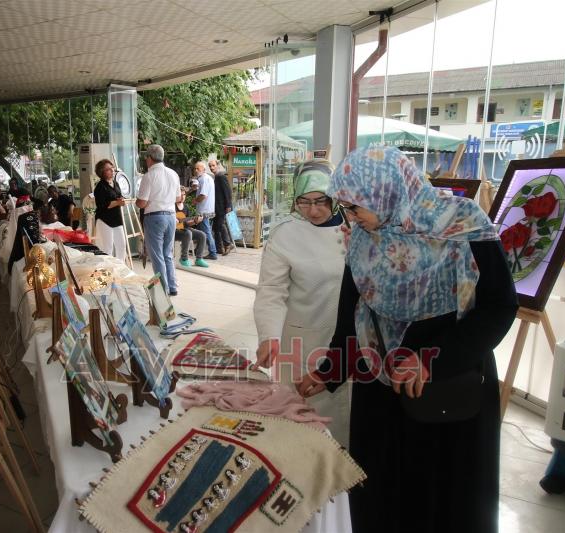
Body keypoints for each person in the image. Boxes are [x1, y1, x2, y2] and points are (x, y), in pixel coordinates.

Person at [297, 146, 517, 533]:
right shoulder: (364, 240)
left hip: (447, 390)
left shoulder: (462, 224)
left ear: (385, 191)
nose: (350, 218)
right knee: (381, 497)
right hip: (380, 395)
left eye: (354, 207)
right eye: (345, 207)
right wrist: (329, 372)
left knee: (440, 501)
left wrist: (433, 360)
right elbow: (352, 315)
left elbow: (500, 306)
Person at [253, 159, 350, 445]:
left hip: (347, 342)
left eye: (321, 200)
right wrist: (269, 335)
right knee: (303, 425)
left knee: (343, 424)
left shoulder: (355, 227)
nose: (313, 210)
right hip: (302, 341)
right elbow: (271, 290)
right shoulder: (286, 236)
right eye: (304, 202)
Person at [136, 144, 182, 296]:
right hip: (171, 216)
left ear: (149, 158)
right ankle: (172, 286)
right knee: (167, 253)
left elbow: (141, 203)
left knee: (157, 256)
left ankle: (163, 290)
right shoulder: (173, 174)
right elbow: (178, 199)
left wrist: (143, 202)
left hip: (155, 218)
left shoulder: (149, 176)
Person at [93, 159, 127, 259]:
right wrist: (117, 202)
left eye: (112, 168)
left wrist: (120, 200)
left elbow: (119, 196)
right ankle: (108, 271)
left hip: (116, 219)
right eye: (109, 169)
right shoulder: (100, 187)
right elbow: (103, 205)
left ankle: (121, 269)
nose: (112, 171)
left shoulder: (115, 183)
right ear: (102, 172)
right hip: (104, 220)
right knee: (108, 248)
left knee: (122, 245)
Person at [175, 187, 208, 268]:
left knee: (202, 235)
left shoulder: (185, 207)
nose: (183, 197)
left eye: (184, 195)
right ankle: (184, 258)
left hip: (184, 229)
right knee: (187, 233)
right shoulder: (171, 206)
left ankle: (199, 259)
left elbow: (187, 223)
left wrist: (195, 221)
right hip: (173, 230)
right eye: (181, 195)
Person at [192, 161, 218, 260]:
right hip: (207, 209)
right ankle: (200, 250)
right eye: (195, 168)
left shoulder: (204, 179)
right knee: (204, 231)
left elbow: (203, 195)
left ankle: (212, 252)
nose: (195, 170)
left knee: (206, 232)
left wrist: (195, 201)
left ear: (203, 169)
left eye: (197, 168)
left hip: (204, 210)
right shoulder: (205, 178)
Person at [209, 159, 234, 255]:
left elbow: (227, 191)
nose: (211, 168)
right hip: (216, 206)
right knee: (216, 227)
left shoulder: (221, 176)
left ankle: (228, 244)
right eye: (210, 166)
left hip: (221, 206)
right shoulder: (216, 177)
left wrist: (228, 205)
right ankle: (220, 248)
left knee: (220, 225)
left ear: (218, 166)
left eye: (213, 165)